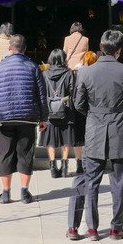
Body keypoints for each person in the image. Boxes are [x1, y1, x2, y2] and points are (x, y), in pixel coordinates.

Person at [66, 29, 123, 242]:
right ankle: (116, 227)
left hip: (95, 128)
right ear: (119, 50)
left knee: (92, 180)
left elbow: (78, 103)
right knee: (119, 181)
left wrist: (93, 113)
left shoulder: (85, 72)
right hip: (120, 128)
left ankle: (92, 229)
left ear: (101, 47)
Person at [0, 34, 48, 205]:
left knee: (5, 154)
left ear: (9, 48)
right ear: (25, 49)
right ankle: (25, 192)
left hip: (4, 116)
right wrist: (43, 117)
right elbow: (42, 95)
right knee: (25, 153)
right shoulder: (33, 67)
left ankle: (5, 193)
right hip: (27, 116)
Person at [40, 48, 80, 178]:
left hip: (49, 111)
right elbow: (73, 92)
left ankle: (52, 167)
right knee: (66, 139)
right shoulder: (69, 73)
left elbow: (42, 93)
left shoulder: (44, 74)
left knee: (50, 139)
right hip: (65, 110)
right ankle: (64, 167)